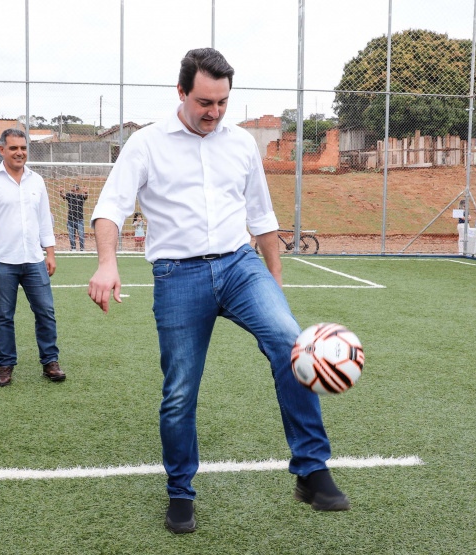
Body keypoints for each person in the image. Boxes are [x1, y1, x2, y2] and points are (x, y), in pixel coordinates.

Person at [88, 48, 348, 535]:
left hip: (239, 266)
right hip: (177, 277)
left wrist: (274, 276)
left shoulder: (241, 143)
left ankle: (311, 471)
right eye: (205, 101)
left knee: (291, 344)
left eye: (223, 102)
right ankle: (180, 492)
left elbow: (262, 215)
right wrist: (107, 263)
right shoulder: (145, 145)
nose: (214, 112)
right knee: (180, 391)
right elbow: (110, 208)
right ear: (182, 92)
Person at [0, 128, 64, 386]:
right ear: (2, 150)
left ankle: (50, 362)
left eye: (23, 148)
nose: (19, 153)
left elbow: (45, 220)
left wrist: (50, 253)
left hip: (34, 260)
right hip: (2, 261)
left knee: (45, 311)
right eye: (13, 148)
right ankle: (5, 365)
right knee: (3, 315)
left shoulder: (37, 181)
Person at [61, 184, 88, 251]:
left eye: (73, 190)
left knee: (81, 236)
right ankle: (73, 249)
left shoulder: (81, 196)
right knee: (71, 236)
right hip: (70, 220)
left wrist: (86, 192)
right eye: (71, 190)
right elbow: (63, 195)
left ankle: (82, 249)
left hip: (79, 220)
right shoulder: (69, 196)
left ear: (78, 190)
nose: (72, 192)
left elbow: (85, 196)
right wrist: (61, 192)